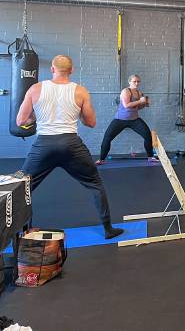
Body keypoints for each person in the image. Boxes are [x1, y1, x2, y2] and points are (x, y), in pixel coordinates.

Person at [16, 55, 124, 239]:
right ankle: (108, 229)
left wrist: (37, 116)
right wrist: (79, 112)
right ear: (72, 70)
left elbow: (20, 121)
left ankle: (25, 231)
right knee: (95, 184)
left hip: (44, 145)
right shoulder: (80, 91)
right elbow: (91, 123)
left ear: (52, 69)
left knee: (23, 188)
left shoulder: (35, 89)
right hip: (71, 145)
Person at [96, 74, 155, 165]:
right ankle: (101, 160)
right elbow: (126, 105)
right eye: (134, 81)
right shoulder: (126, 91)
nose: (136, 83)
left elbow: (137, 108)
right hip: (120, 120)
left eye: (138, 81)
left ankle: (150, 157)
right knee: (107, 138)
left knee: (147, 135)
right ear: (129, 82)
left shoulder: (139, 93)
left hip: (134, 120)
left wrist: (145, 104)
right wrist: (140, 101)